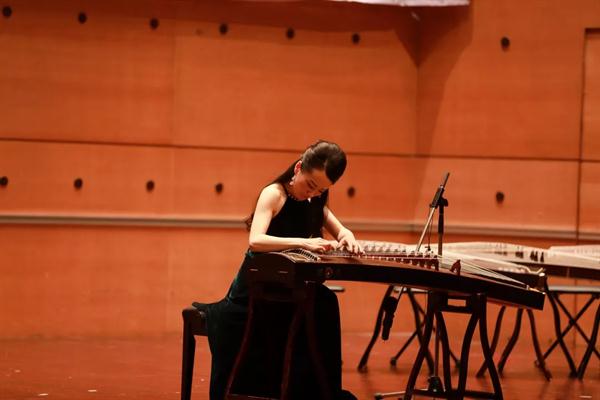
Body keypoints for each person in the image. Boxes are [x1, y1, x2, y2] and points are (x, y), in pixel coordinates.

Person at [196, 140, 361, 400]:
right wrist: (304, 242)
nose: (313, 193)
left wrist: (347, 237)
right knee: (314, 305)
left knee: (325, 302)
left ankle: (320, 392)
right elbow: (256, 240)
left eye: (321, 190)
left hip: (286, 288)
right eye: (310, 184)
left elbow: (340, 230)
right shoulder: (274, 194)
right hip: (254, 290)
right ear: (298, 168)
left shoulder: (314, 199)